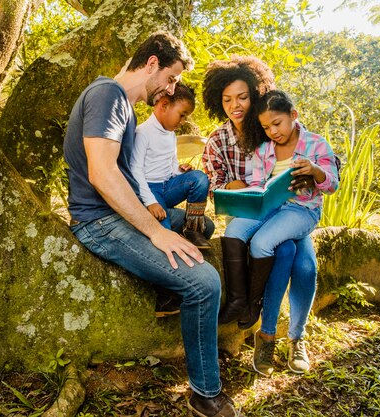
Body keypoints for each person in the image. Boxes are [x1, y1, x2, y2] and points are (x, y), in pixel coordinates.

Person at [64, 32, 242, 417]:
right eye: (172, 77)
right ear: (151, 64)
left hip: (117, 213)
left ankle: (166, 286)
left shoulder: (122, 105)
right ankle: (205, 393)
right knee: (205, 281)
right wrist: (156, 231)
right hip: (100, 221)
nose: (171, 88)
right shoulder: (107, 95)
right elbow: (102, 173)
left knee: (201, 226)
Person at [201, 56, 320, 376]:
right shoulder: (216, 140)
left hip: (289, 211)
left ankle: (296, 337)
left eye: (242, 97)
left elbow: (315, 157)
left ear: (256, 94)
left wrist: (308, 174)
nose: (235, 105)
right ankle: (260, 326)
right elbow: (214, 187)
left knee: (306, 267)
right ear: (218, 101)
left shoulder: (272, 124)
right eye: (226, 99)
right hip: (247, 216)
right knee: (285, 251)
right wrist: (234, 186)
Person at [227, 89, 338, 375]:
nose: (273, 131)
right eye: (266, 127)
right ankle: (248, 307)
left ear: (293, 115)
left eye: (277, 123)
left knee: (269, 246)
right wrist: (245, 193)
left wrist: (314, 171)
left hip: (301, 211)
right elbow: (255, 183)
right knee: (236, 230)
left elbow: (332, 185)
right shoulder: (264, 149)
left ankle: (294, 337)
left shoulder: (316, 144)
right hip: (272, 210)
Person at [130, 83, 211, 249]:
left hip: (168, 187)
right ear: (164, 105)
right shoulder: (143, 133)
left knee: (200, 178)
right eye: (181, 115)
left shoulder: (171, 135)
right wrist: (151, 202)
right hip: (150, 190)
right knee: (164, 231)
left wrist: (179, 170)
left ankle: (192, 229)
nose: (182, 121)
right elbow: (135, 170)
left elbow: (171, 165)